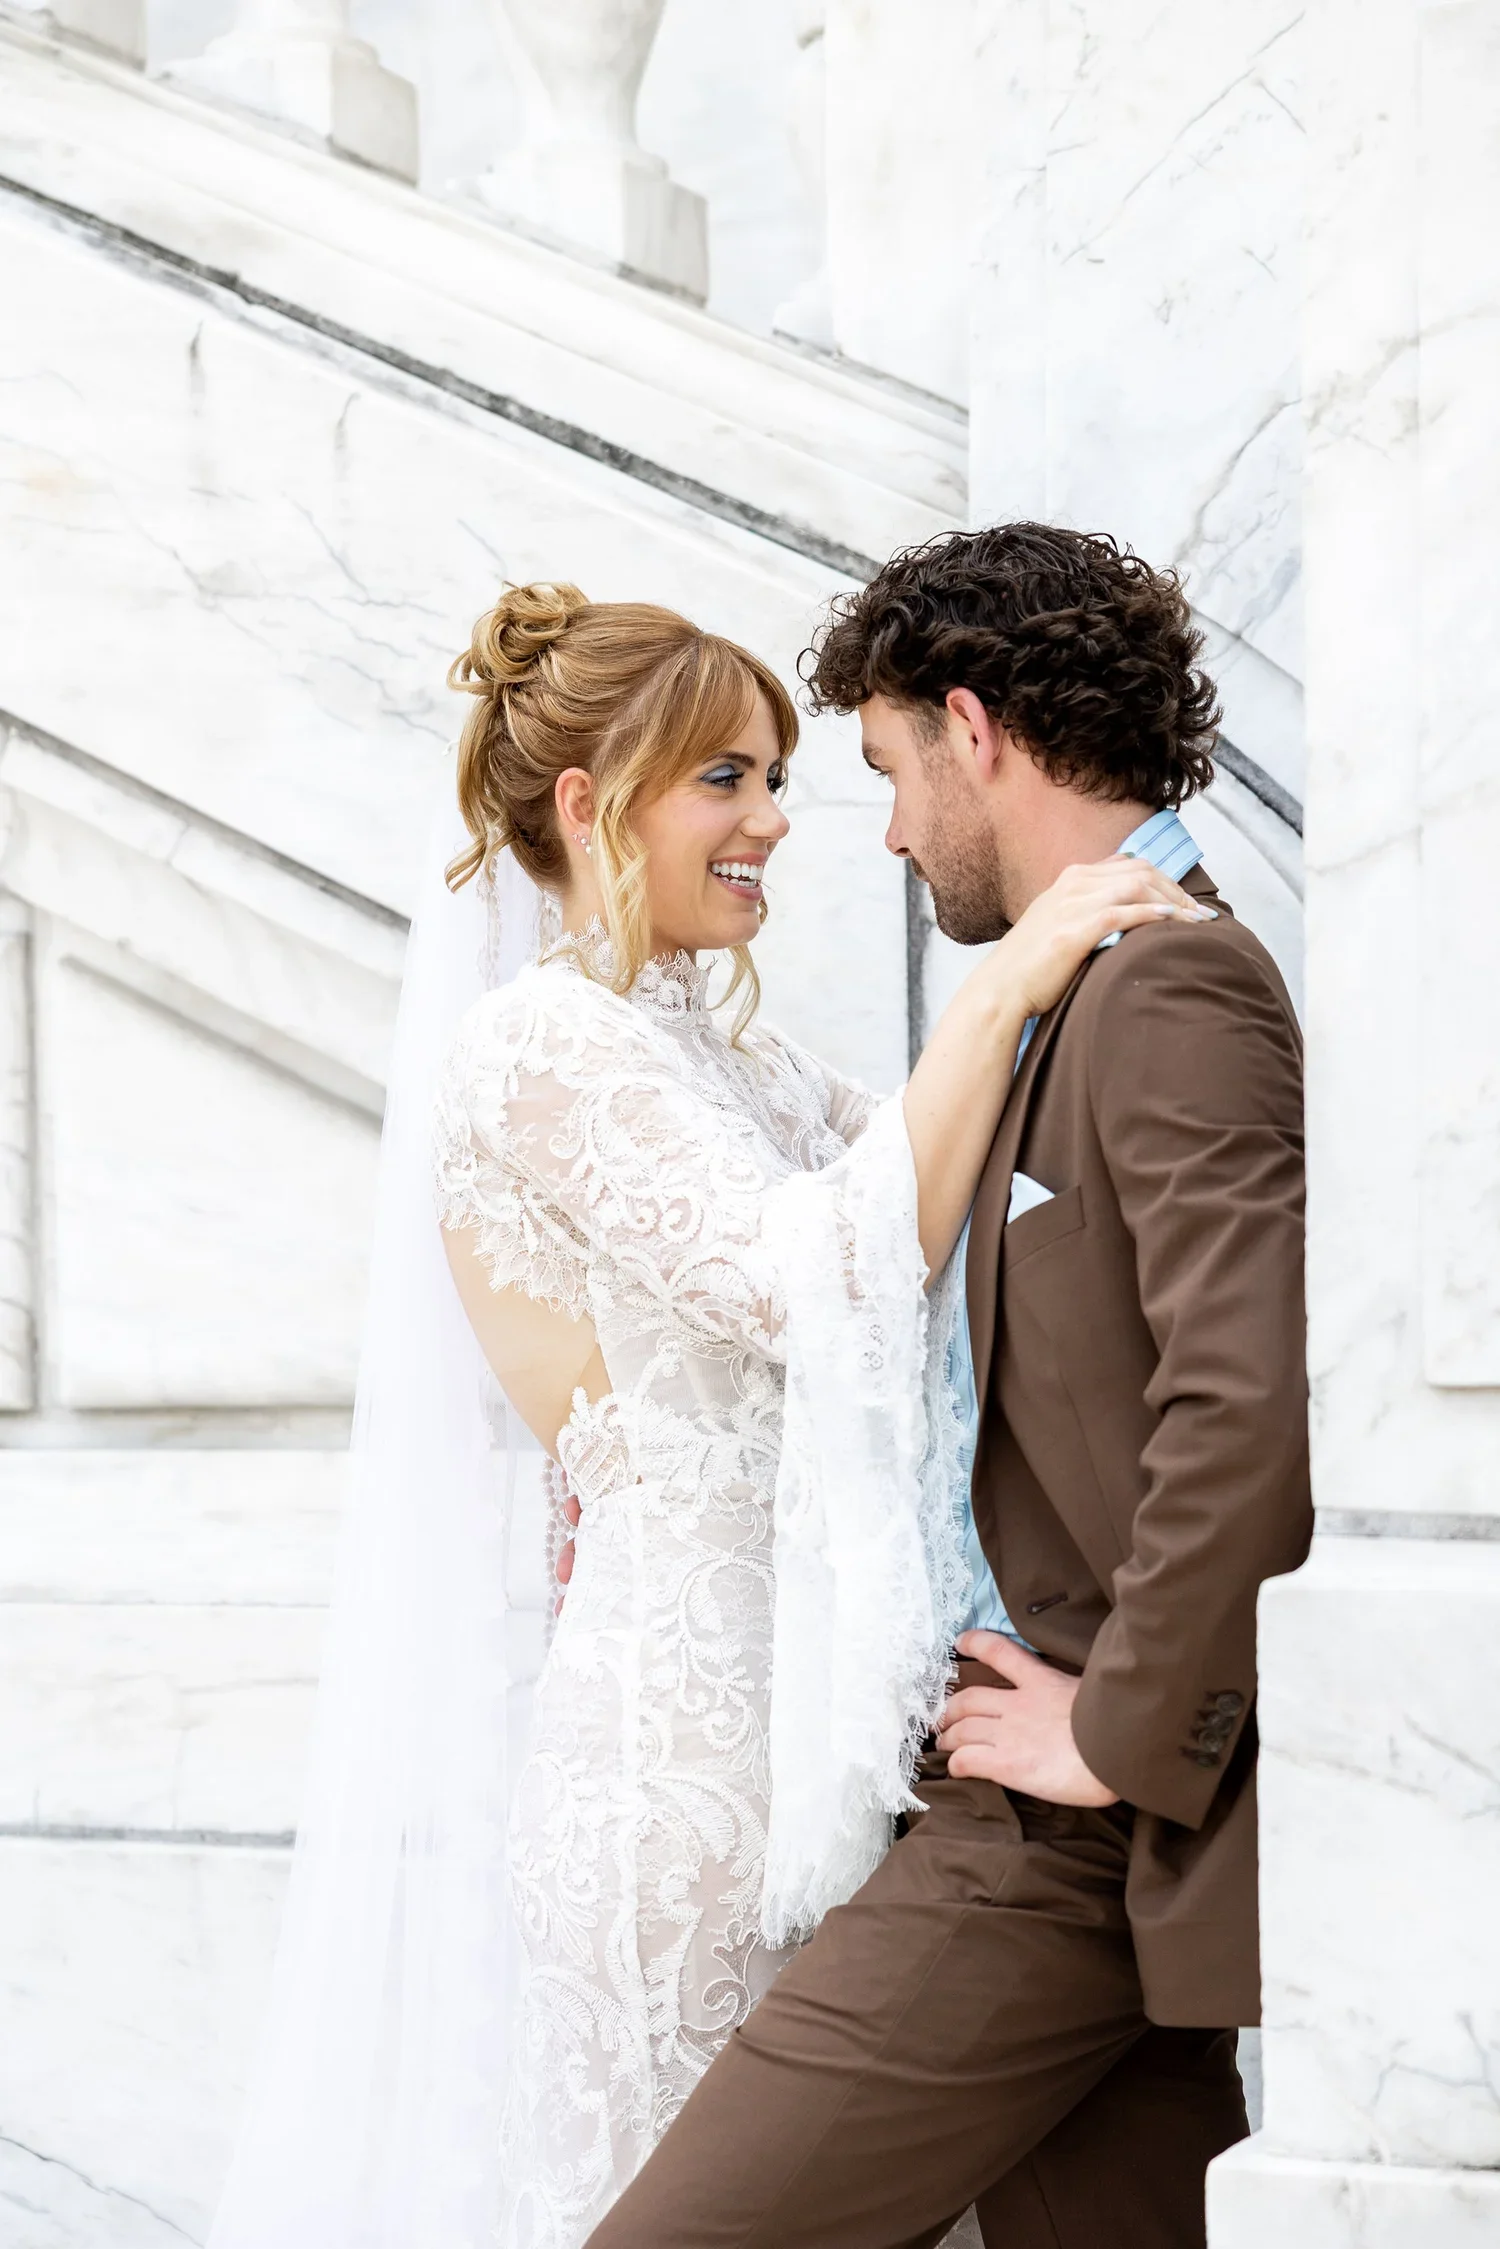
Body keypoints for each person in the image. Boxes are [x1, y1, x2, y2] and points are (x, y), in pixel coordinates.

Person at [204, 575, 1200, 2249]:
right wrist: (1008, 981)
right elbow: (799, 1277)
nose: (778, 821)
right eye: (725, 779)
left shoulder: (745, 1064)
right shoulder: (536, 1046)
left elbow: (947, 1218)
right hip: (689, 1771)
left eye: (779, 777)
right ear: (590, 805)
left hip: (836, 1738)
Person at [582, 524, 1314, 2249]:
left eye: (892, 771)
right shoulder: (1077, 984)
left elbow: (1248, 1405)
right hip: (1034, 1814)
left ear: (973, 730)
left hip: (1060, 1833)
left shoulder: (1173, 980)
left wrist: (1117, 1732)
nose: (896, 831)